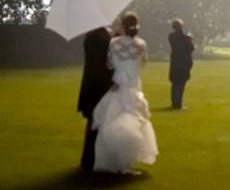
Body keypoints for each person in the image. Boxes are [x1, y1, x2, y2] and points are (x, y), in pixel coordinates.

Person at [92, 12, 158, 174]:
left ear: (122, 25)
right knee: (134, 119)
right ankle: (126, 160)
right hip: (133, 85)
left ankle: (114, 159)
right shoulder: (142, 44)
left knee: (113, 120)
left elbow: (108, 64)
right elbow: (143, 63)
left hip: (118, 85)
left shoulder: (114, 42)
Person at [77, 27, 113, 173]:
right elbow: (109, 62)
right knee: (102, 123)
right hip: (102, 84)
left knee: (92, 123)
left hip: (89, 83)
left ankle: (87, 159)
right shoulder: (105, 39)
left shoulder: (88, 38)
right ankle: (99, 159)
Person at [168, 18, 194, 109]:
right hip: (183, 62)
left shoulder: (171, 36)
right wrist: (190, 39)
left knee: (175, 83)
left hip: (175, 62)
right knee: (181, 83)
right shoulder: (186, 38)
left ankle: (174, 101)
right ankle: (178, 103)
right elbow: (191, 49)